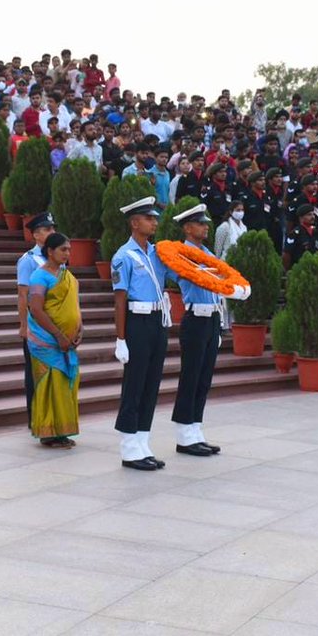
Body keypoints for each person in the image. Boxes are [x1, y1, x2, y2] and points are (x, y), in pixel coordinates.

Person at [111, 196, 169, 471]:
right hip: (136, 320)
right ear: (135, 223)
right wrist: (121, 338)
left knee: (151, 383)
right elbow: (120, 299)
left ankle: (142, 442)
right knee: (134, 384)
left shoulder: (159, 253)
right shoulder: (123, 256)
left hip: (157, 320)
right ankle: (128, 446)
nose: (155, 222)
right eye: (149, 218)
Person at [168, 204, 224, 456]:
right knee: (190, 377)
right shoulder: (182, 255)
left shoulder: (208, 253)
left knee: (204, 378)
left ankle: (196, 429)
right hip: (195, 318)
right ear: (188, 228)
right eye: (200, 224)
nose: (206, 227)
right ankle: (184, 435)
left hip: (211, 318)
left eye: (206, 223)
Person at [25, 233, 81, 448]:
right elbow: (36, 309)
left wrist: (79, 330)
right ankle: (48, 433)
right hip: (45, 342)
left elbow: (74, 307)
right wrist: (58, 335)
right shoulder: (40, 277)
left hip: (68, 342)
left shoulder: (67, 276)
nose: (67, 253)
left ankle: (62, 431)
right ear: (50, 251)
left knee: (66, 383)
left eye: (69, 249)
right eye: (63, 250)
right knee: (51, 383)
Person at [17, 213, 56, 427]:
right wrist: (24, 325)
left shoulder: (56, 258)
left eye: (53, 228)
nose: (52, 232)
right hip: (37, 326)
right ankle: (36, 419)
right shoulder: (28, 261)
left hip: (56, 324)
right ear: (36, 234)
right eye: (48, 229)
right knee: (36, 374)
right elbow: (23, 295)